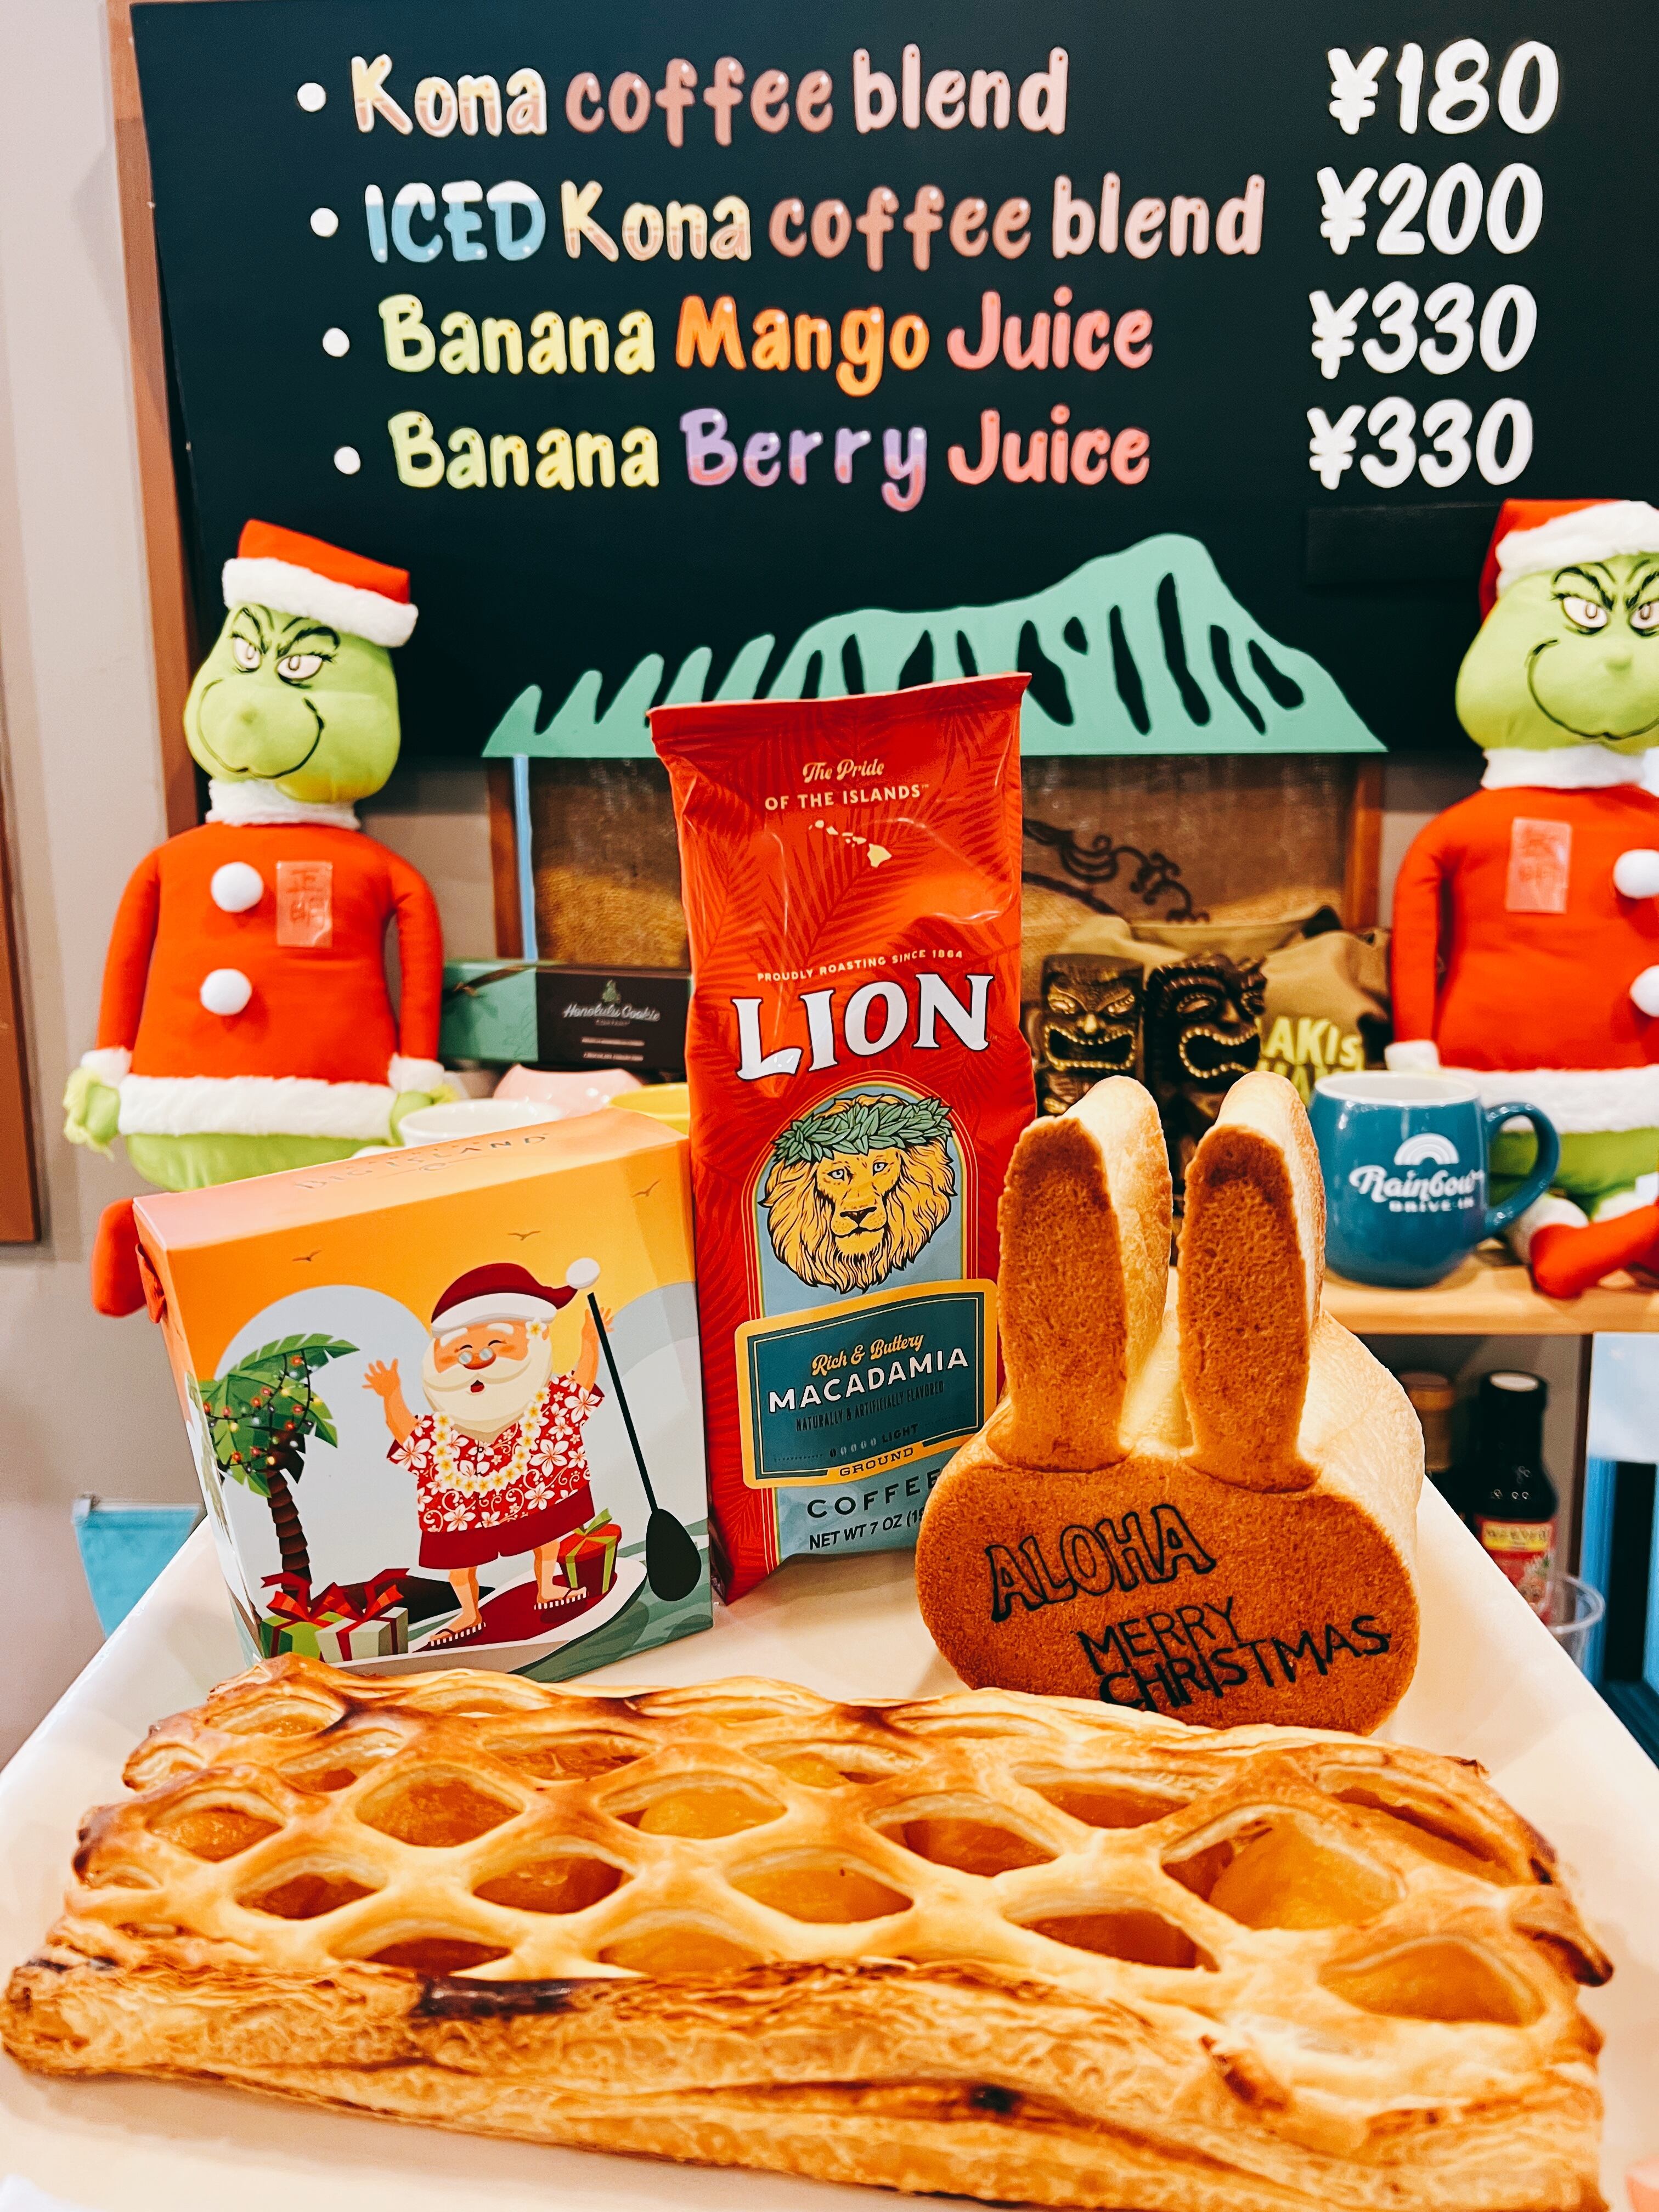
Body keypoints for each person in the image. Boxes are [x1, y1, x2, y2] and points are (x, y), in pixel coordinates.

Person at [363, 1263, 611, 1646]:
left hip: (533, 1490)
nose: (478, 1360)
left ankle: (547, 1587)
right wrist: (391, 1395)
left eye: (495, 1346)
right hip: (462, 1507)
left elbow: (580, 1385)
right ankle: (469, 1612)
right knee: (460, 1565)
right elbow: (407, 1433)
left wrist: (590, 1343)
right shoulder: (442, 1433)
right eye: (461, 1353)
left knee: (546, 1537)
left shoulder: (543, 1408)